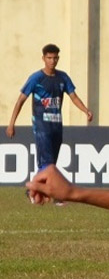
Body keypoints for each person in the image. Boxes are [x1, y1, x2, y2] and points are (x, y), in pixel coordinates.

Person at [7, 44, 93, 182]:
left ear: (58, 58)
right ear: (43, 58)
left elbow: (73, 96)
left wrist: (85, 110)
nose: (52, 61)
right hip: (41, 126)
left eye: (55, 58)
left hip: (56, 125)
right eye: (49, 58)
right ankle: (44, 193)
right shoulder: (36, 78)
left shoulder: (63, 77)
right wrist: (11, 124)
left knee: (51, 163)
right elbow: (20, 101)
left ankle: (38, 191)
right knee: (46, 163)